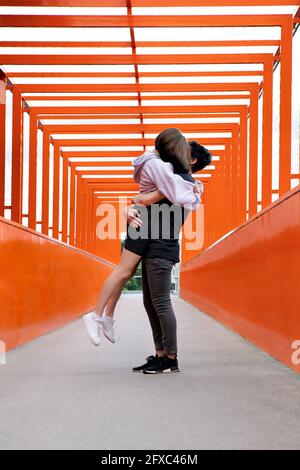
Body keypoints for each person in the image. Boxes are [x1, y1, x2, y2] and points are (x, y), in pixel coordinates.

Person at [83, 128, 201, 346]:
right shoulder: (166, 172)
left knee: (126, 273)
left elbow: (145, 196)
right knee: (123, 271)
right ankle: (97, 315)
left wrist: (135, 203)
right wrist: (134, 204)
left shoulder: (174, 175)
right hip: (144, 223)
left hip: (146, 224)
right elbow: (148, 198)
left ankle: (107, 316)